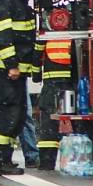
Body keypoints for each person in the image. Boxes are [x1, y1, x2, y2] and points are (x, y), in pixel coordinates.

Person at [0, 0, 71, 175]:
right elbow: (2, 36)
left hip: (13, 70)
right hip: (3, 69)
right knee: (6, 114)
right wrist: (11, 65)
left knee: (18, 114)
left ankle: (4, 158)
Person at [34, 39, 75, 170]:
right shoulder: (74, 31)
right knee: (78, 120)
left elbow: (37, 53)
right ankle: (79, 160)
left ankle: (47, 163)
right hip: (75, 78)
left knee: (49, 123)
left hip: (52, 81)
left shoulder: (49, 29)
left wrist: (36, 75)